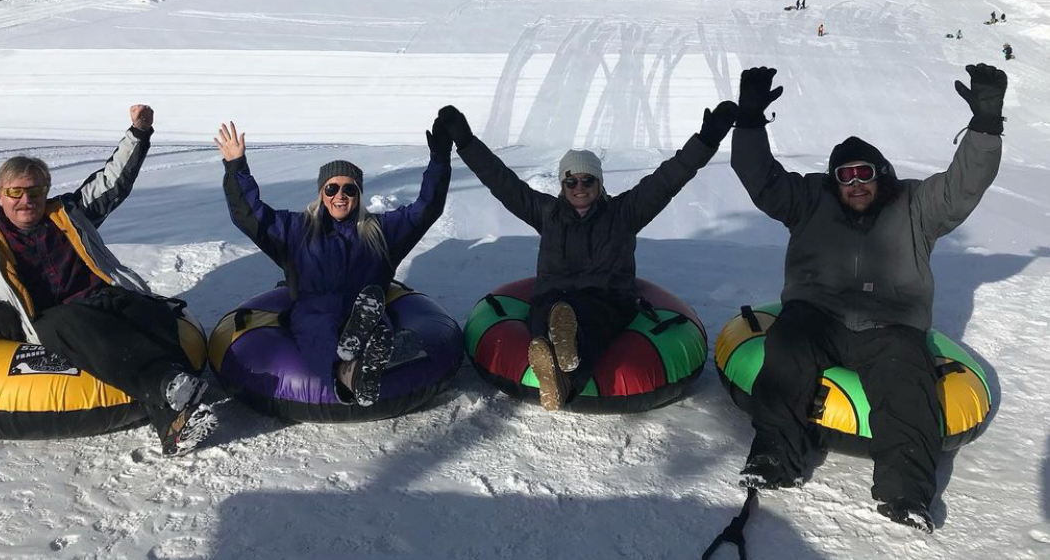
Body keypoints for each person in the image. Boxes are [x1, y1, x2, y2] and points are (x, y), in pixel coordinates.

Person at [729, 64, 1005, 532]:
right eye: (845, 175)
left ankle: (906, 494)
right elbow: (760, 177)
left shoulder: (916, 205)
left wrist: (985, 125)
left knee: (906, 383)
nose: (855, 183)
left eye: (864, 174)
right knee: (787, 349)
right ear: (833, 180)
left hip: (890, 326)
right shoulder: (808, 200)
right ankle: (775, 458)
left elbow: (964, 185)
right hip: (816, 315)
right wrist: (750, 121)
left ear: (882, 175)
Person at [0, 106, 216, 457]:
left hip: (101, 297)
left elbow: (112, 182)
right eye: (16, 192)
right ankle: (167, 384)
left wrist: (138, 133)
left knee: (152, 314)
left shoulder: (69, 215)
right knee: (69, 323)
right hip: (53, 318)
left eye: (36, 190)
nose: (27, 199)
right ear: (0, 194)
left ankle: (173, 424)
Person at [435, 100, 737, 411]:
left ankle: (562, 356)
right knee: (543, 317)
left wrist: (707, 139)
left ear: (599, 182)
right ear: (563, 185)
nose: (580, 187)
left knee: (589, 320)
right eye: (571, 181)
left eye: (587, 180)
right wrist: (466, 140)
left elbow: (669, 178)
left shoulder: (625, 212)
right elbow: (501, 181)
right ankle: (561, 361)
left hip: (605, 299)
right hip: (553, 298)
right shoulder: (547, 213)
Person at [215, 116, 451, 407]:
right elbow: (250, 216)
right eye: (332, 188)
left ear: (359, 195)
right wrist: (236, 167)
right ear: (321, 193)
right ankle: (351, 372)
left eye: (349, 189)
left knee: (376, 325)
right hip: (315, 311)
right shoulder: (296, 230)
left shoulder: (382, 230)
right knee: (319, 332)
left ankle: (363, 347)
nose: (340, 195)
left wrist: (440, 160)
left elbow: (425, 210)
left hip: (365, 306)